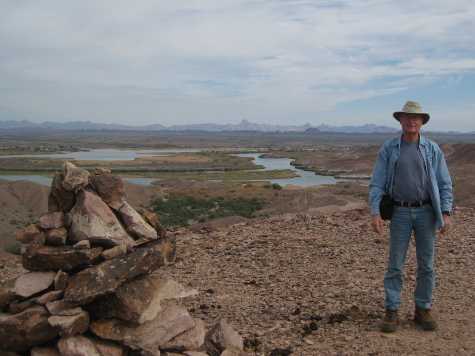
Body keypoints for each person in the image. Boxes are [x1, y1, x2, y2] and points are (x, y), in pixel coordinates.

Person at [369, 100, 453, 333]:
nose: (411, 121)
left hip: (427, 212)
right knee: (395, 264)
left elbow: (445, 183)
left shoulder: (432, 149)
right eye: (407, 117)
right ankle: (392, 310)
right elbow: (376, 182)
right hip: (400, 212)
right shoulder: (389, 149)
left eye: (416, 117)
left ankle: (422, 309)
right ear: (401, 120)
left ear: (422, 122)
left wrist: (445, 212)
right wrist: (375, 211)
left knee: (427, 265)